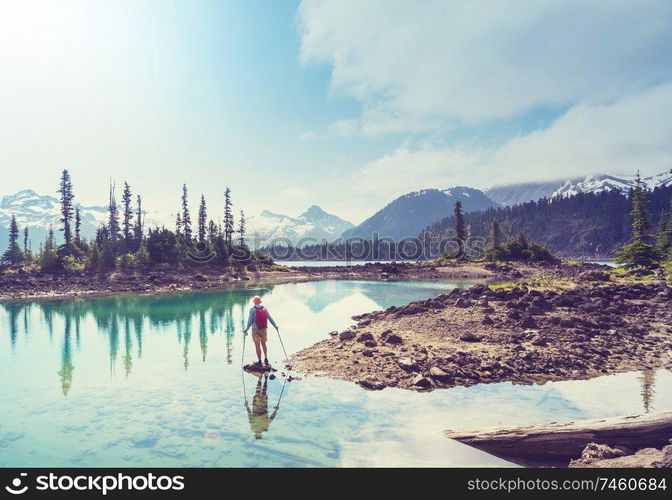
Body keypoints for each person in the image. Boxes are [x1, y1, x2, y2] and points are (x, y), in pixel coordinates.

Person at [243, 296, 278, 368]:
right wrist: (275, 326)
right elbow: (269, 318)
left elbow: (250, 320)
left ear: (254, 302)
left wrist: (246, 329)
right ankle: (266, 359)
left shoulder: (252, 310)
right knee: (263, 343)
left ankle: (259, 361)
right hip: (264, 329)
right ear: (260, 302)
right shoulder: (264, 309)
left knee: (257, 345)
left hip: (255, 329)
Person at [245, 372, 279, 440]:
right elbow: (250, 416)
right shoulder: (253, 427)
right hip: (256, 407)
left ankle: (265, 378)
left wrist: (276, 410)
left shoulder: (264, 427)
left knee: (263, 392)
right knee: (258, 391)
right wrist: (247, 406)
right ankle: (260, 379)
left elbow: (271, 418)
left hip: (263, 407)